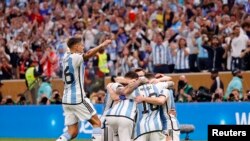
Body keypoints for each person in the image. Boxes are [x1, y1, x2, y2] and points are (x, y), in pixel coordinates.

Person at [56, 37, 112, 141]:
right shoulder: (75, 57)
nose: (83, 47)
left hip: (66, 100)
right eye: (81, 45)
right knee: (97, 123)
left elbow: (74, 48)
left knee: (72, 132)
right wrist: (102, 45)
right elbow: (89, 54)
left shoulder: (65, 57)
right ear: (76, 47)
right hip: (77, 98)